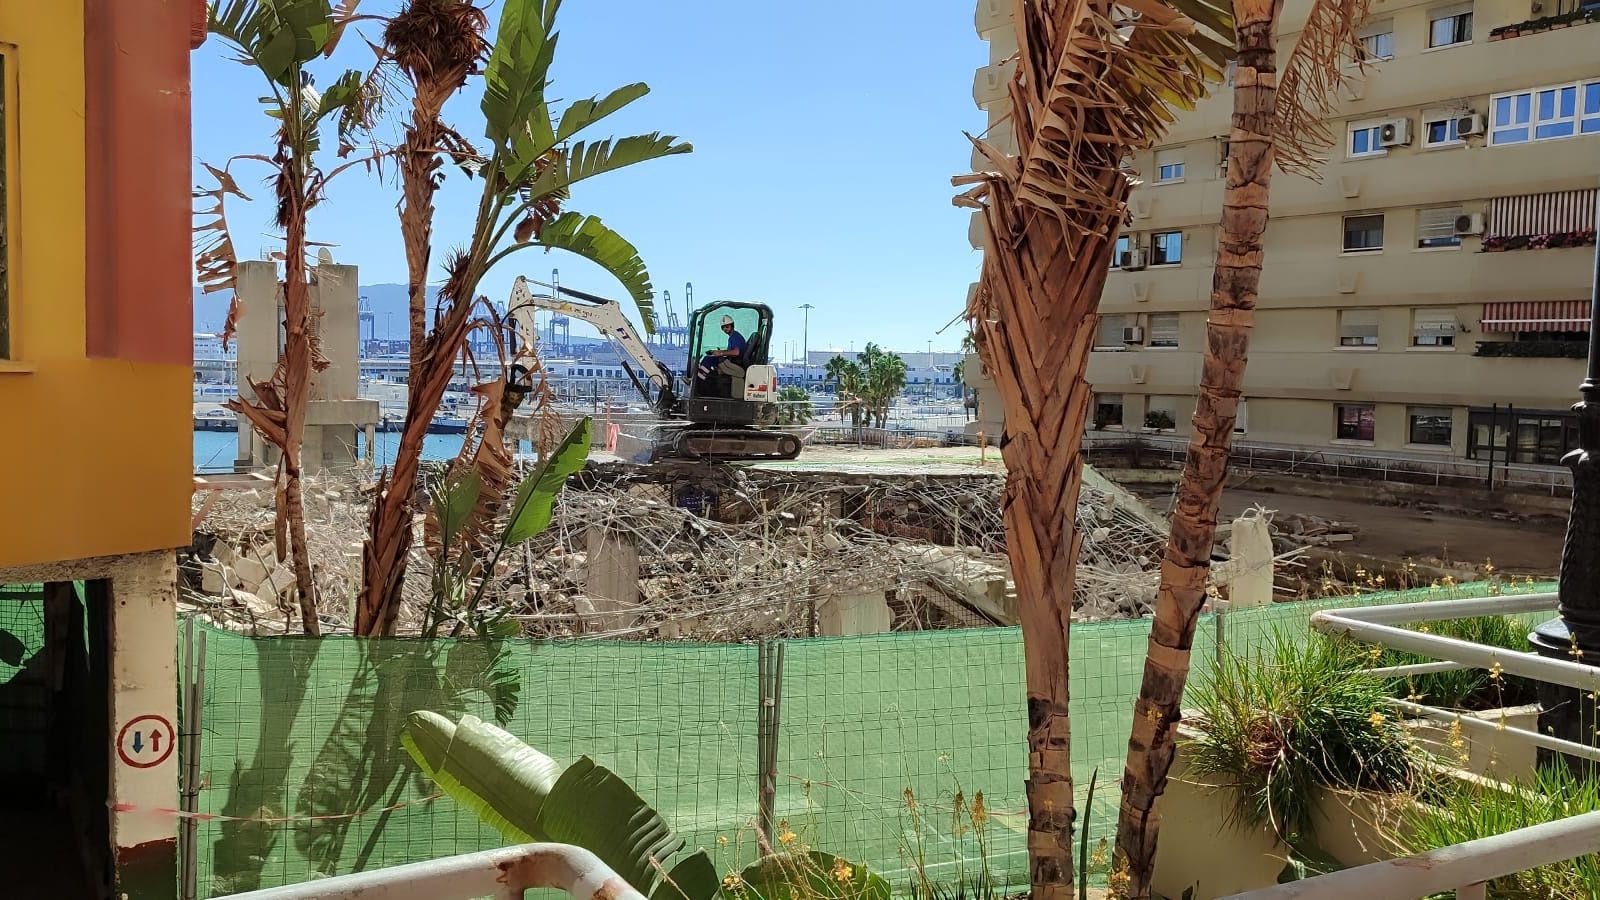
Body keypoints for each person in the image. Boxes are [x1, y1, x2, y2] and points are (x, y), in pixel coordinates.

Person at [696, 315, 747, 382]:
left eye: (727, 326)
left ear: (732, 325)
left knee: (709, 359)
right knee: (709, 358)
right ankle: (700, 377)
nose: (725, 329)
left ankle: (698, 380)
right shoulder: (732, 337)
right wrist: (716, 352)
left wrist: (720, 353)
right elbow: (730, 351)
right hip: (733, 361)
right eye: (723, 327)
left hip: (736, 362)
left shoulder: (735, 337)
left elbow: (736, 352)